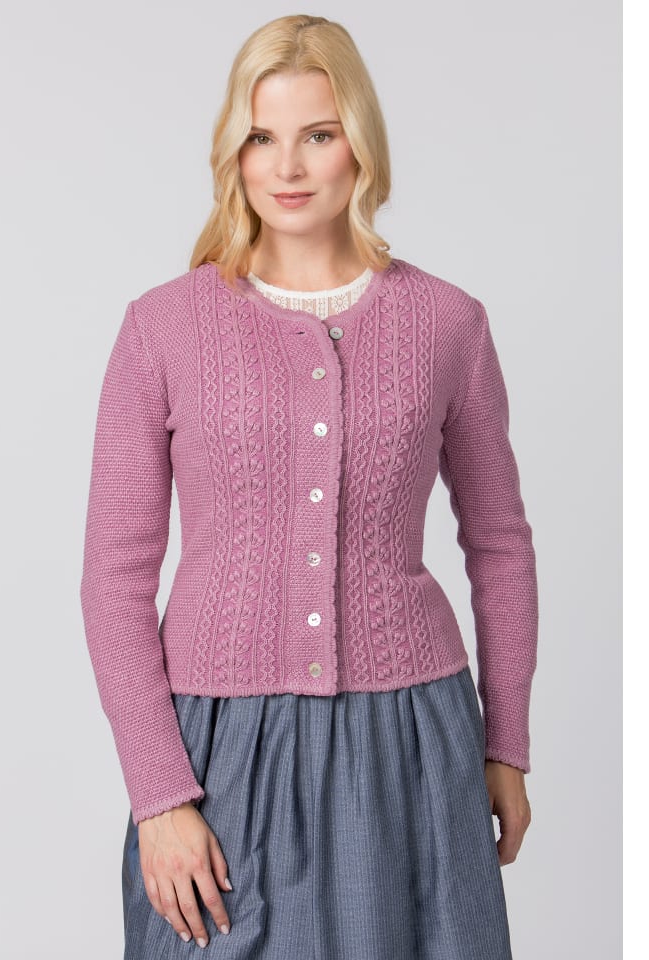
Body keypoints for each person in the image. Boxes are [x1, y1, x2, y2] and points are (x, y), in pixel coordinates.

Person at [80, 13, 538, 960]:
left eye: (318, 135)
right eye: (261, 137)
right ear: (233, 152)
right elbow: (113, 578)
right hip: (217, 748)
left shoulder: (449, 323)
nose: (287, 166)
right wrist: (159, 794)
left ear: (360, 145)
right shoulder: (161, 328)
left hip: (411, 738)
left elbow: (499, 546)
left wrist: (506, 743)